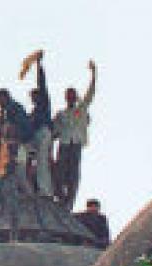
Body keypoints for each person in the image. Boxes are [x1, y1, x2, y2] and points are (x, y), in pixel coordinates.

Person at [53, 60, 97, 211]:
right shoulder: (61, 114)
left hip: (76, 144)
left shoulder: (81, 109)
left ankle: (68, 203)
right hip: (64, 145)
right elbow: (54, 131)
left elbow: (90, 93)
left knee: (73, 176)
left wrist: (93, 73)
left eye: (72, 95)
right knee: (60, 173)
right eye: (68, 95)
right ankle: (60, 197)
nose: (70, 97)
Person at [27, 51, 55, 198]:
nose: (33, 99)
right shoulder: (33, 112)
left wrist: (38, 65)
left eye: (35, 96)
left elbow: (42, 83)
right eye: (32, 97)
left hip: (43, 132)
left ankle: (45, 190)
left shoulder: (44, 104)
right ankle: (32, 186)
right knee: (26, 156)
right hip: (36, 135)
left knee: (43, 161)